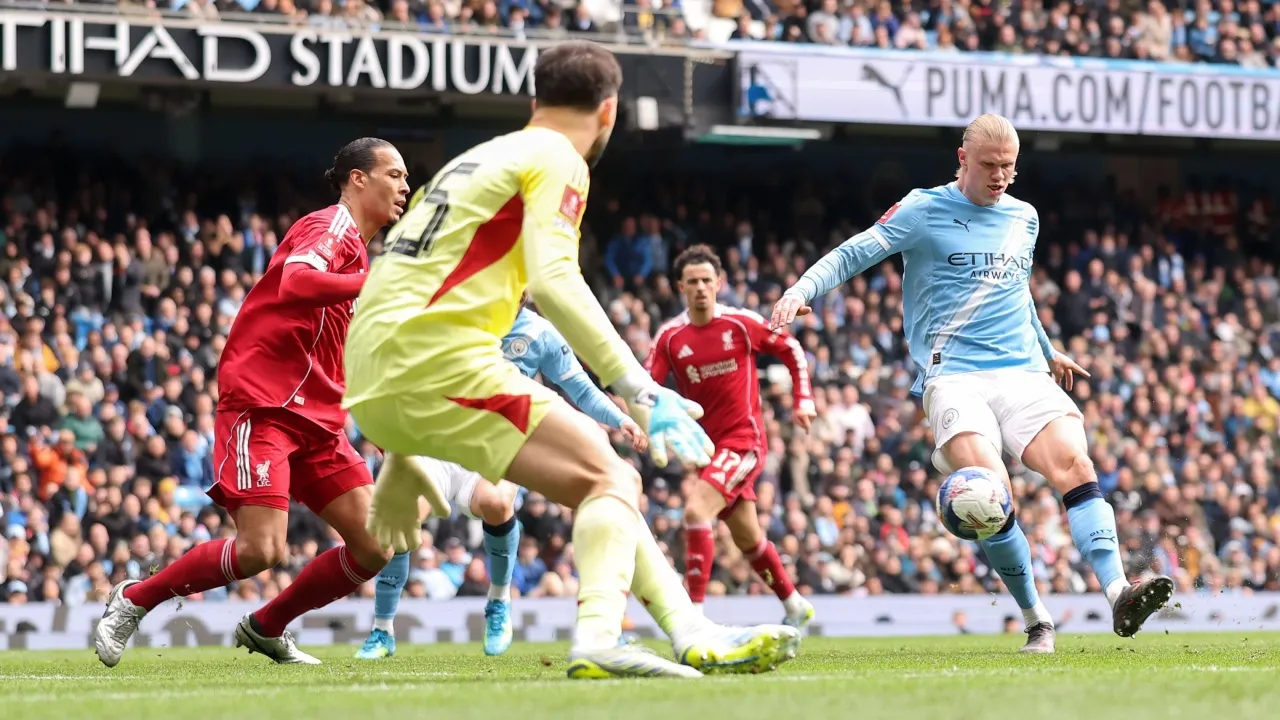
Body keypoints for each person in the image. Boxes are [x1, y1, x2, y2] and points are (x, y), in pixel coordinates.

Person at [343, 40, 799, 679]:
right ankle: (600, 638)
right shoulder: (558, 156)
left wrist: (399, 449)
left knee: (605, 478)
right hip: (436, 359)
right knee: (613, 480)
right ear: (608, 111)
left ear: (536, 101)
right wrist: (638, 388)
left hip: (372, 367)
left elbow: (404, 282)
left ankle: (690, 630)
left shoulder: (474, 160)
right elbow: (554, 277)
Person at [771, 113, 1175, 652]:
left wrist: (1047, 348)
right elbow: (855, 251)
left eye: (1009, 166)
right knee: (990, 492)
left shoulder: (1024, 217)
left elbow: (1016, 289)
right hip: (956, 377)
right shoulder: (923, 209)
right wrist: (801, 290)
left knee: (1076, 467)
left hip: (1022, 370)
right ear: (963, 159)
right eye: (989, 165)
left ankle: (1119, 591)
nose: (1000, 176)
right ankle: (1036, 618)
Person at [93, 138, 411, 667]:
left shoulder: (359, 257)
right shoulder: (330, 227)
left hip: (319, 419)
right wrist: (371, 284)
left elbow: (343, 353)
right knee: (261, 550)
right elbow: (295, 282)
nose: (405, 186)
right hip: (265, 405)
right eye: (394, 174)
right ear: (358, 179)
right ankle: (135, 598)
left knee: (377, 545)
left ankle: (266, 627)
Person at [356, 303, 647, 660]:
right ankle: (382, 630)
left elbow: (581, 389)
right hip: (436, 443)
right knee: (400, 517)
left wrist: (620, 419)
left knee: (495, 502)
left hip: (496, 447)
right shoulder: (450, 311)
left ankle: (498, 602)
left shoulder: (538, 333)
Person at [647, 245, 816, 629]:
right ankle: (795, 604)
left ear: (719, 283)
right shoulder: (670, 337)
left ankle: (694, 617)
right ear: (680, 287)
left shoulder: (740, 323)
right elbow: (646, 384)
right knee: (748, 539)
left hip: (744, 441)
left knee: (695, 512)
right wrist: (638, 422)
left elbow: (790, 348)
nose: (700, 288)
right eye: (692, 281)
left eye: (706, 280)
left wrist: (803, 399)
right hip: (705, 449)